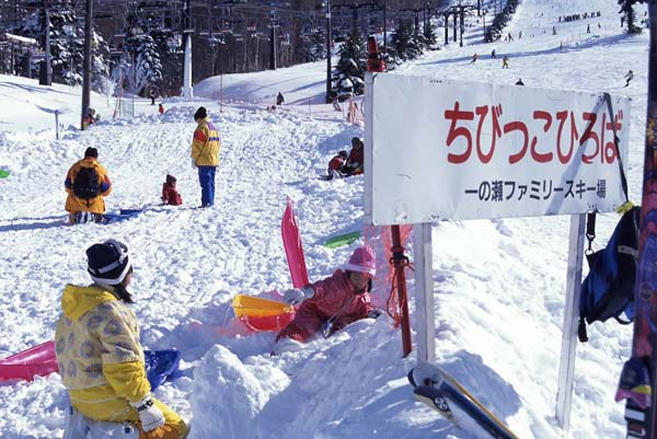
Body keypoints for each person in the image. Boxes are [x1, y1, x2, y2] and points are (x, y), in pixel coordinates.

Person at [55, 240, 188, 439]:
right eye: (130, 269)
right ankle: (119, 433)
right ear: (123, 275)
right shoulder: (113, 313)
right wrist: (144, 405)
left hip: (78, 398)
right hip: (107, 401)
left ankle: (88, 423)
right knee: (176, 428)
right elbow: (123, 368)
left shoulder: (75, 307)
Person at [273, 246, 380, 353]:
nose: (359, 281)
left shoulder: (362, 297)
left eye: (364, 278)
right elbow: (322, 289)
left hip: (334, 320)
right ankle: (286, 342)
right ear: (349, 274)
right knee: (304, 327)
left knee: (346, 324)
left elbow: (362, 309)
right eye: (356, 276)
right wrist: (305, 293)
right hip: (314, 312)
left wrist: (370, 313)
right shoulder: (337, 286)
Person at [64, 147, 112, 224]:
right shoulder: (100, 169)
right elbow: (107, 189)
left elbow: (67, 186)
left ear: (85, 155)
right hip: (95, 207)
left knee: (73, 204)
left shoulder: (74, 167)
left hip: (75, 206)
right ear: (96, 157)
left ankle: (74, 216)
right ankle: (95, 216)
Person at [191, 106, 221, 208]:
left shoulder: (201, 128)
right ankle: (211, 201)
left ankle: (206, 203)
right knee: (211, 183)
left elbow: (197, 145)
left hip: (204, 160)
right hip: (213, 159)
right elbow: (218, 144)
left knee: (205, 184)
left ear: (199, 118)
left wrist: (194, 158)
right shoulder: (213, 127)